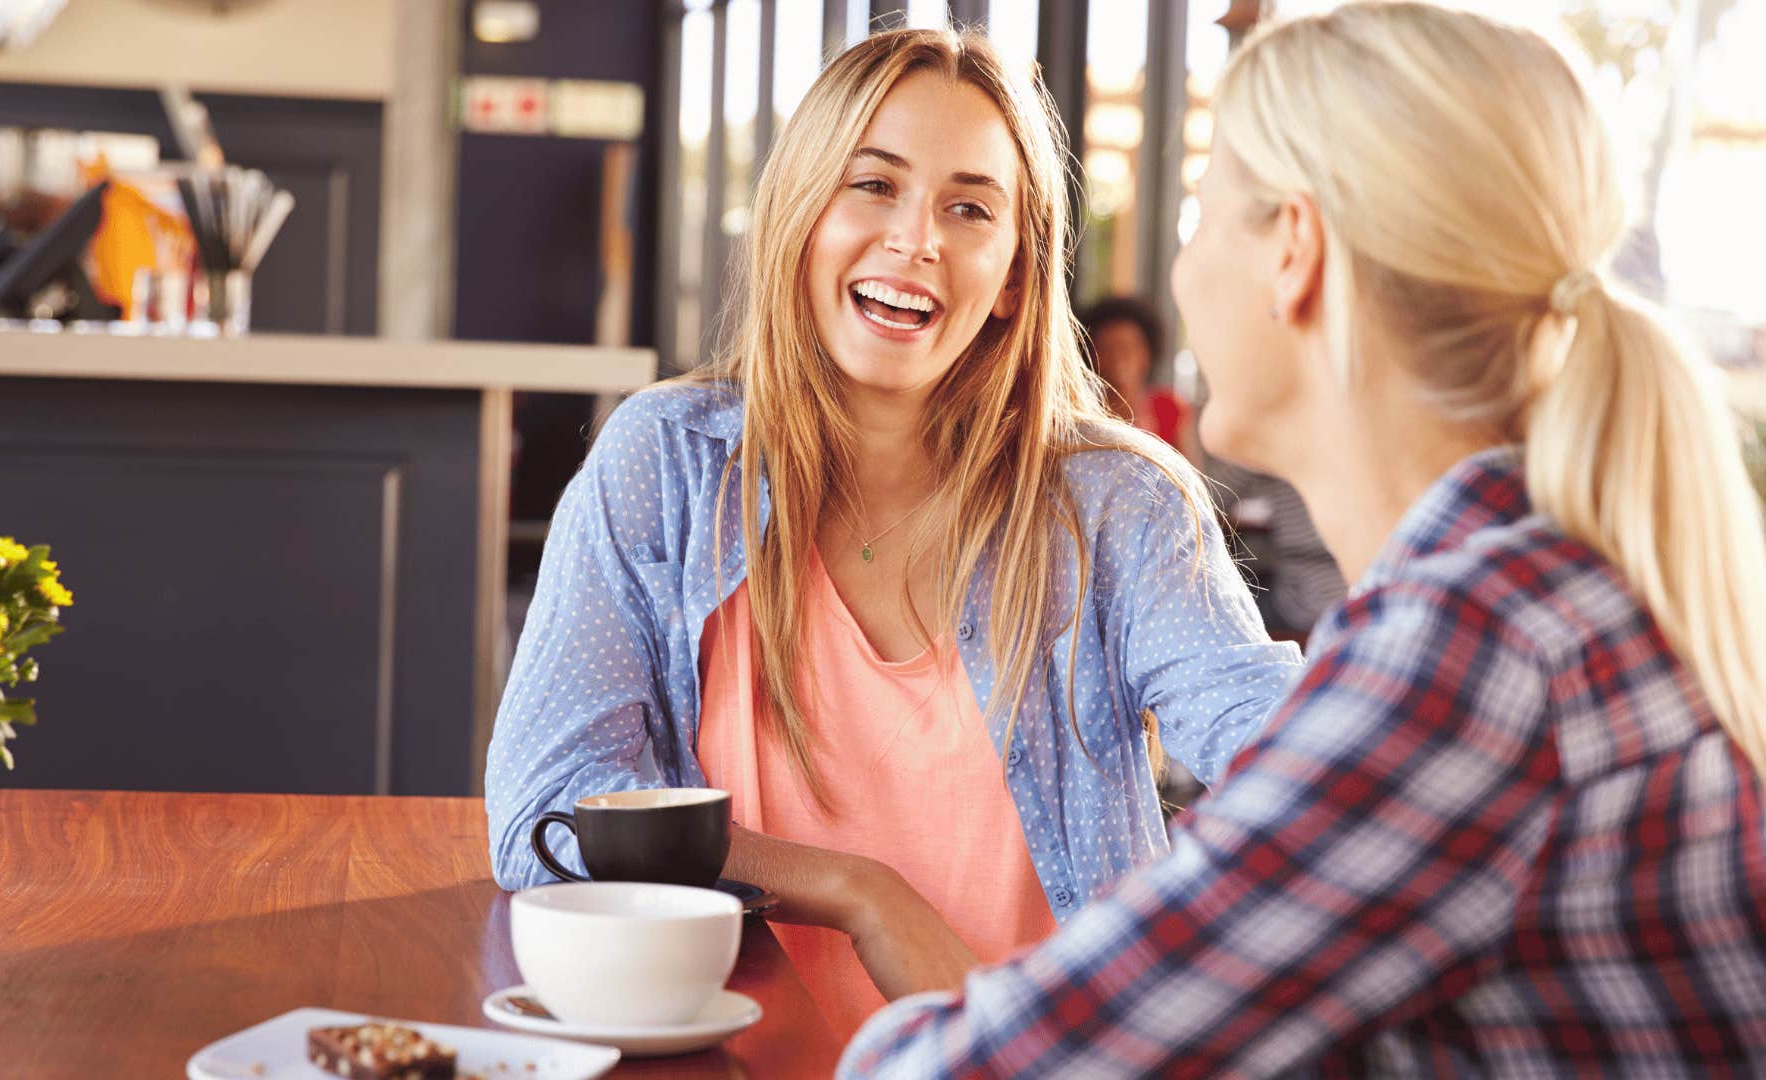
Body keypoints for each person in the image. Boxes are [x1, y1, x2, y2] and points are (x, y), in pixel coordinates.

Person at [842, 3, 1766, 1074]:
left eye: (1200, 212)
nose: (1180, 274)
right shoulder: (1551, 583)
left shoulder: (1470, 649)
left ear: (1296, 250)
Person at [485, 28, 1301, 1039]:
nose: (917, 240)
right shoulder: (669, 466)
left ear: (1012, 275)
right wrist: (859, 892)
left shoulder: (1115, 503)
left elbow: (1285, 753)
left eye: (969, 208)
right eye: (874, 186)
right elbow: (552, 816)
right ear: (803, 214)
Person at [1080, 295, 1195, 456]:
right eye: (1107, 348)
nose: (1118, 358)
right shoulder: (1081, 411)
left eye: (1127, 348)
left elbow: (1187, 475)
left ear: (1147, 353)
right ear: (1091, 355)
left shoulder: (1169, 408)